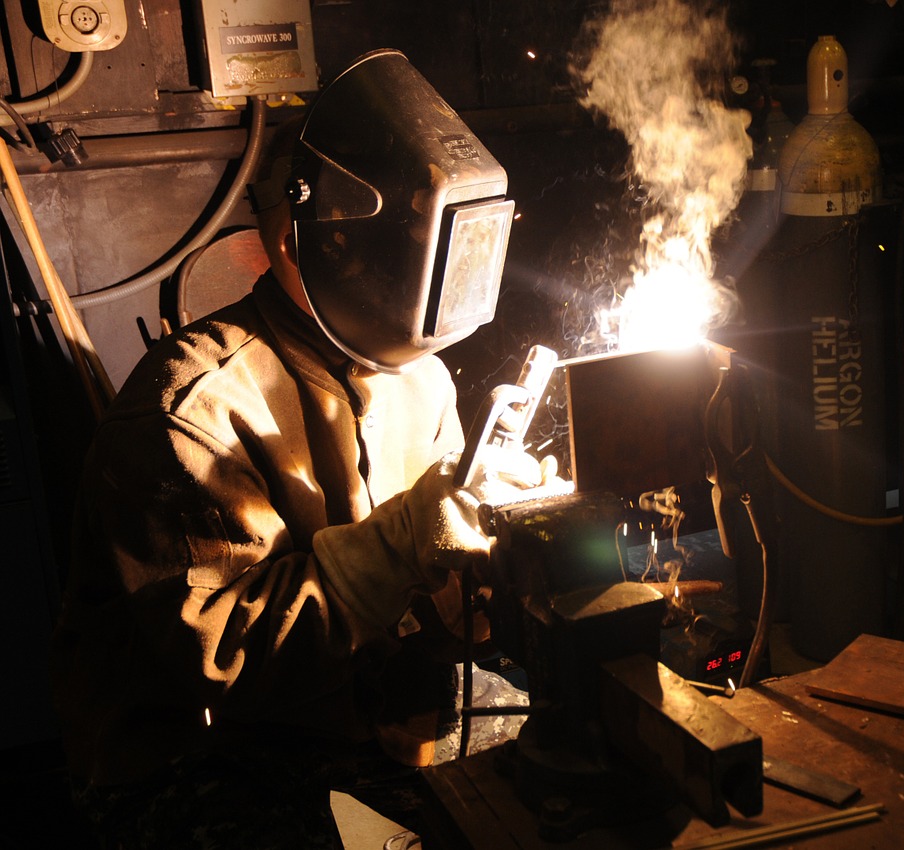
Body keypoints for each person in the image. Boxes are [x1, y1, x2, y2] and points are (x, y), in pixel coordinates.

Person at [50, 49, 544, 848]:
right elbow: (226, 665)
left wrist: (493, 542)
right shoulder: (190, 413)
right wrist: (407, 538)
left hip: (357, 710)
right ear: (292, 240)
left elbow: (431, 593)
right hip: (191, 759)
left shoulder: (418, 377)